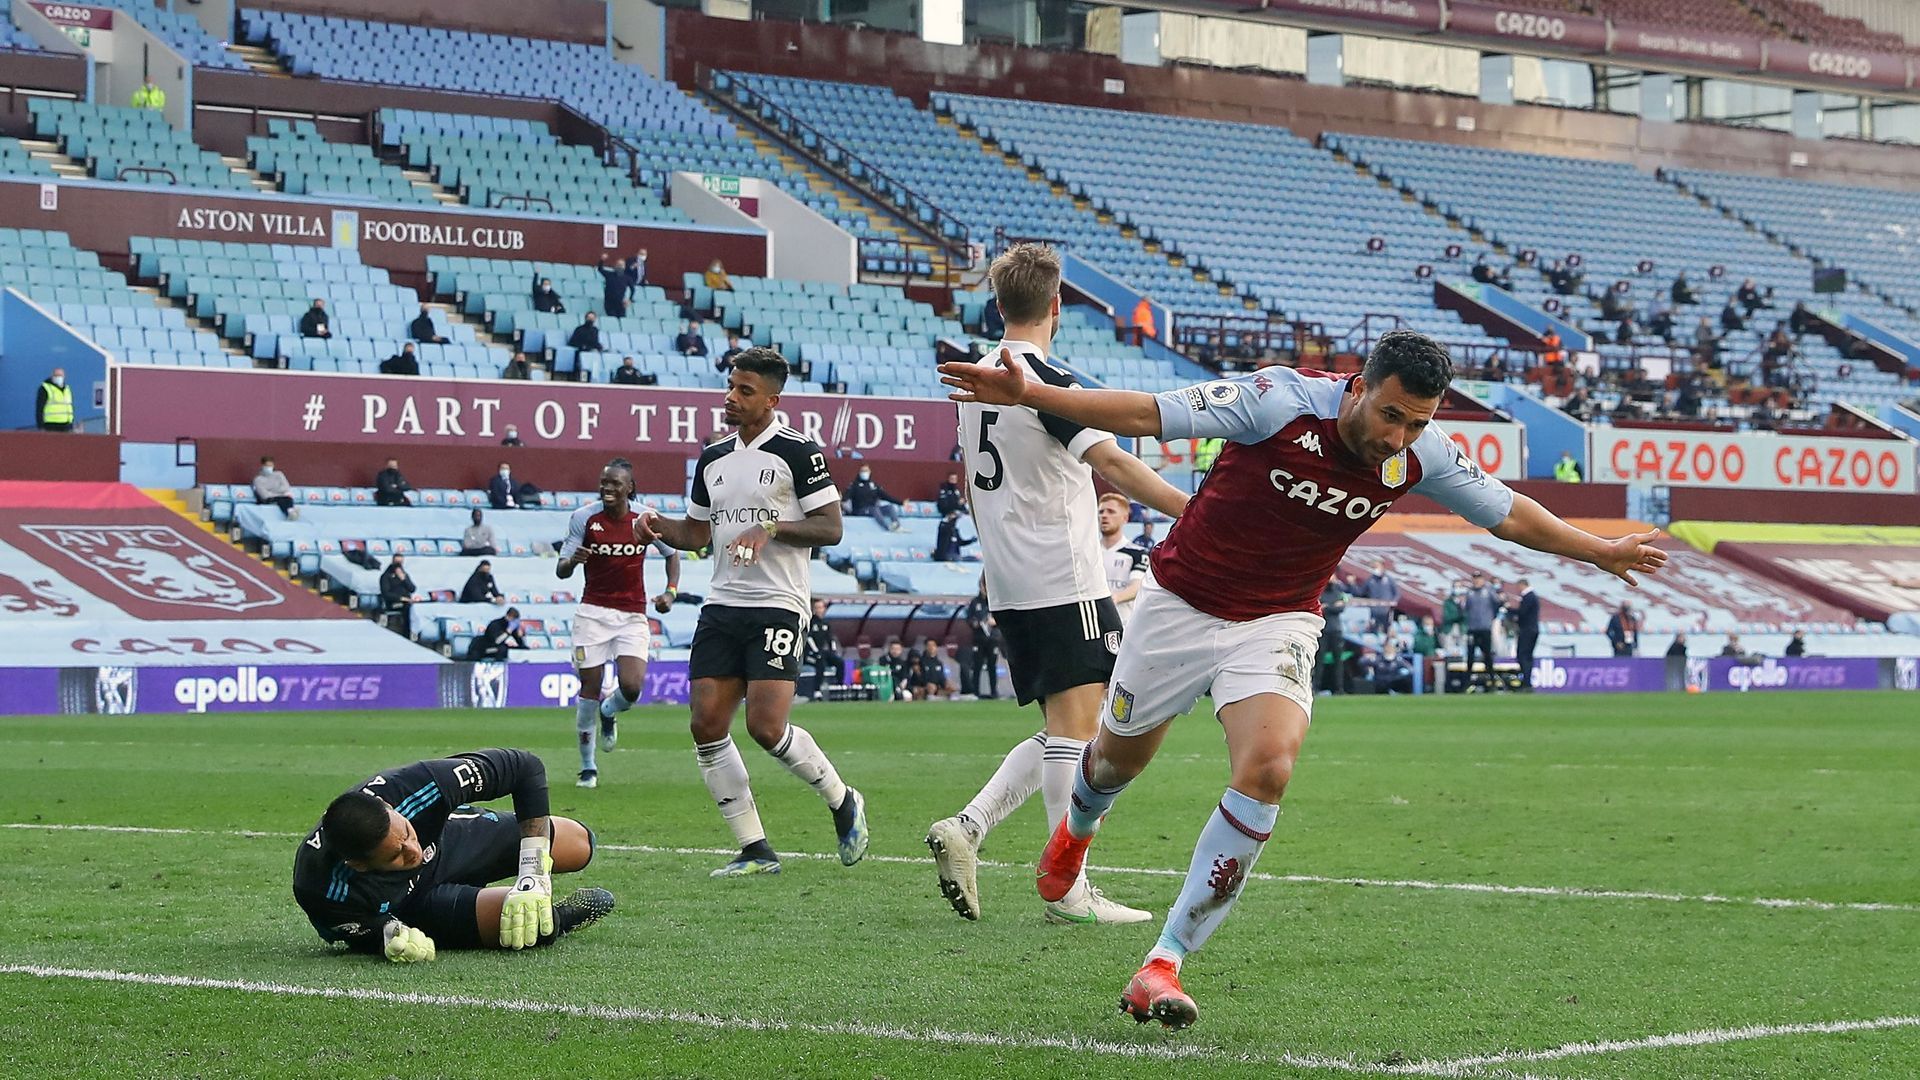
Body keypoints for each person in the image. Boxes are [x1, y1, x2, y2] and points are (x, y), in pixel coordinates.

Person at [938, 328, 1666, 1027]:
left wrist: (1599, 551)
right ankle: (1074, 835)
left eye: (1416, 424)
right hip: (1179, 605)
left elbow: (1508, 514)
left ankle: (1164, 961)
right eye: (1390, 415)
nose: (1398, 438)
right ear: (1357, 389)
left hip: (1278, 620)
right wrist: (1033, 393)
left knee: (1270, 768)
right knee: (1115, 759)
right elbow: (1146, 413)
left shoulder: (1422, 455)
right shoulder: (1277, 403)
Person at [925, 242, 1189, 927]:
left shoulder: (976, 374)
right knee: (1081, 729)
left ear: (999, 302)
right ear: (1056, 306)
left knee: (1067, 725)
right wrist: (1197, 513)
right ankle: (1067, 888)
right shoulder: (1045, 380)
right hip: (1061, 573)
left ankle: (970, 827)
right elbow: (1118, 467)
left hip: (1013, 575)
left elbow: (971, 479)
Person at [640, 347, 867, 876]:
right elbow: (697, 534)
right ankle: (755, 848)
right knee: (706, 724)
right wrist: (657, 527)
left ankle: (842, 799)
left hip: (778, 605)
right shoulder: (713, 457)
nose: (731, 398)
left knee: (766, 728)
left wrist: (769, 527)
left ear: (772, 399)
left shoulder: (798, 451)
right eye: (730, 387)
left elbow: (831, 529)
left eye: (745, 391)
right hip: (722, 604)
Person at [292, 748, 613, 961]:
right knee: (530, 928)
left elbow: (525, 767)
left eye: (405, 832)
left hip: (452, 843)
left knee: (581, 844)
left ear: (390, 808)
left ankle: (517, 875)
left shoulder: (416, 785)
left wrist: (533, 872)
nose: (413, 851)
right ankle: (561, 919)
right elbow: (356, 931)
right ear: (359, 865)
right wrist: (388, 935)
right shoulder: (319, 885)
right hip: (415, 905)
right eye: (396, 857)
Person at [556, 458, 681, 788]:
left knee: (632, 686)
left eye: (614, 484)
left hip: (632, 615)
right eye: (604, 483)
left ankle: (610, 713)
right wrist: (573, 561)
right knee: (589, 690)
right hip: (592, 614)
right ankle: (588, 767)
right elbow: (561, 568)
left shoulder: (645, 519)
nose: (607, 488)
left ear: (630, 488)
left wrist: (670, 592)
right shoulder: (584, 518)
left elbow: (672, 553)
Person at [1099, 493, 1150, 627]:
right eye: (1101, 512)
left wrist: (1113, 599)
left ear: (1125, 518)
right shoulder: (1088, 552)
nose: (1104, 515)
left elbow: (1136, 586)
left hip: (1123, 624)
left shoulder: (1138, 553)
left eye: (1111, 512)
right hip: (1094, 627)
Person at [1463, 570, 1501, 688]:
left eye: (1478, 578)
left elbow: (1497, 605)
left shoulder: (1489, 591)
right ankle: (1467, 681)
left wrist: (1490, 619)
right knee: (1470, 655)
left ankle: (1491, 678)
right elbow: (1465, 608)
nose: (1476, 580)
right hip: (1472, 628)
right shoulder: (1469, 593)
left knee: (1487, 654)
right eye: (1474, 578)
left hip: (1485, 628)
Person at [963, 579, 996, 698]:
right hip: (979, 638)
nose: (985, 589)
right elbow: (968, 618)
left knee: (992, 666)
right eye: (983, 586)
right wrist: (974, 623)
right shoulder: (975, 602)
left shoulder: (994, 601)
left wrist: (996, 622)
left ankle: (994, 692)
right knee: (977, 665)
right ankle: (976, 691)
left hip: (992, 639)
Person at [843, 465, 902, 532]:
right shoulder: (854, 485)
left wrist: (901, 503)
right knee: (873, 509)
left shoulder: (874, 485)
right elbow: (845, 498)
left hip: (873, 508)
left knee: (889, 507)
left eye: (866, 471)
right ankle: (887, 527)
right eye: (863, 471)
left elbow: (886, 496)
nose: (864, 473)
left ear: (870, 472)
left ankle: (896, 525)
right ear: (859, 473)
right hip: (860, 510)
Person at [803, 598, 841, 700]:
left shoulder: (825, 623)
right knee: (820, 663)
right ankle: (817, 691)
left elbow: (830, 638)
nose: (819, 610)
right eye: (817, 608)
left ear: (824, 609)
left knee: (839, 662)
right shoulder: (810, 622)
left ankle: (839, 687)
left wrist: (833, 650)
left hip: (821, 652)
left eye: (821, 607)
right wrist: (815, 652)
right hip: (809, 654)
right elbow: (809, 638)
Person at [1512, 578, 1539, 686]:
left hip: (1527, 630)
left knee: (1523, 655)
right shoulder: (1533, 596)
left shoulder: (1528, 597)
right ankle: (1526, 681)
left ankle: (1526, 682)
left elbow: (1522, 612)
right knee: (1527, 656)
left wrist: (1509, 610)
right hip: (1532, 629)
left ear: (1522, 585)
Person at [1361, 561, 1399, 634]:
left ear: (1382, 567)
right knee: (1373, 629)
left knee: (1386, 630)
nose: (1375, 569)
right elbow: (1362, 592)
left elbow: (1397, 593)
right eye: (1373, 567)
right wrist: (1352, 585)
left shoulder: (1389, 579)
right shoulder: (1370, 580)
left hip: (1386, 611)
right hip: (1374, 611)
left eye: (1376, 567)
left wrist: (1393, 602)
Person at [35, 367, 73, 432]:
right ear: (52, 376)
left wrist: (71, 422)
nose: (59, 378)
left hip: (66, 425)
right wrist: (40, 426)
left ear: (64, 376)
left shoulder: (67, 389)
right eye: (56, 375)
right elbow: (39, 408)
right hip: (51, 425)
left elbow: (69, 406)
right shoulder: (45, 388)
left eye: (60, 375)